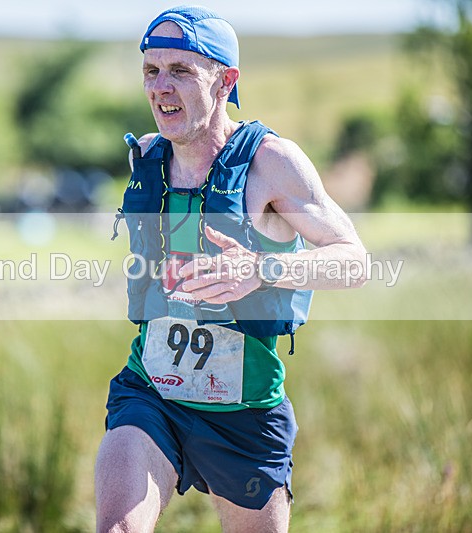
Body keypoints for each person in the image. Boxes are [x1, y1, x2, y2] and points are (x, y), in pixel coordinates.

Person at [96, 6, 367, 532]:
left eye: (181, 71)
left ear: (226, 81)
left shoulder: (273, 163)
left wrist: (262, 270)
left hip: (244, 413)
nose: (160, 87)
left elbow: (354, 260)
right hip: (151, 393)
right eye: (151, 71)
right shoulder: (147, 158)